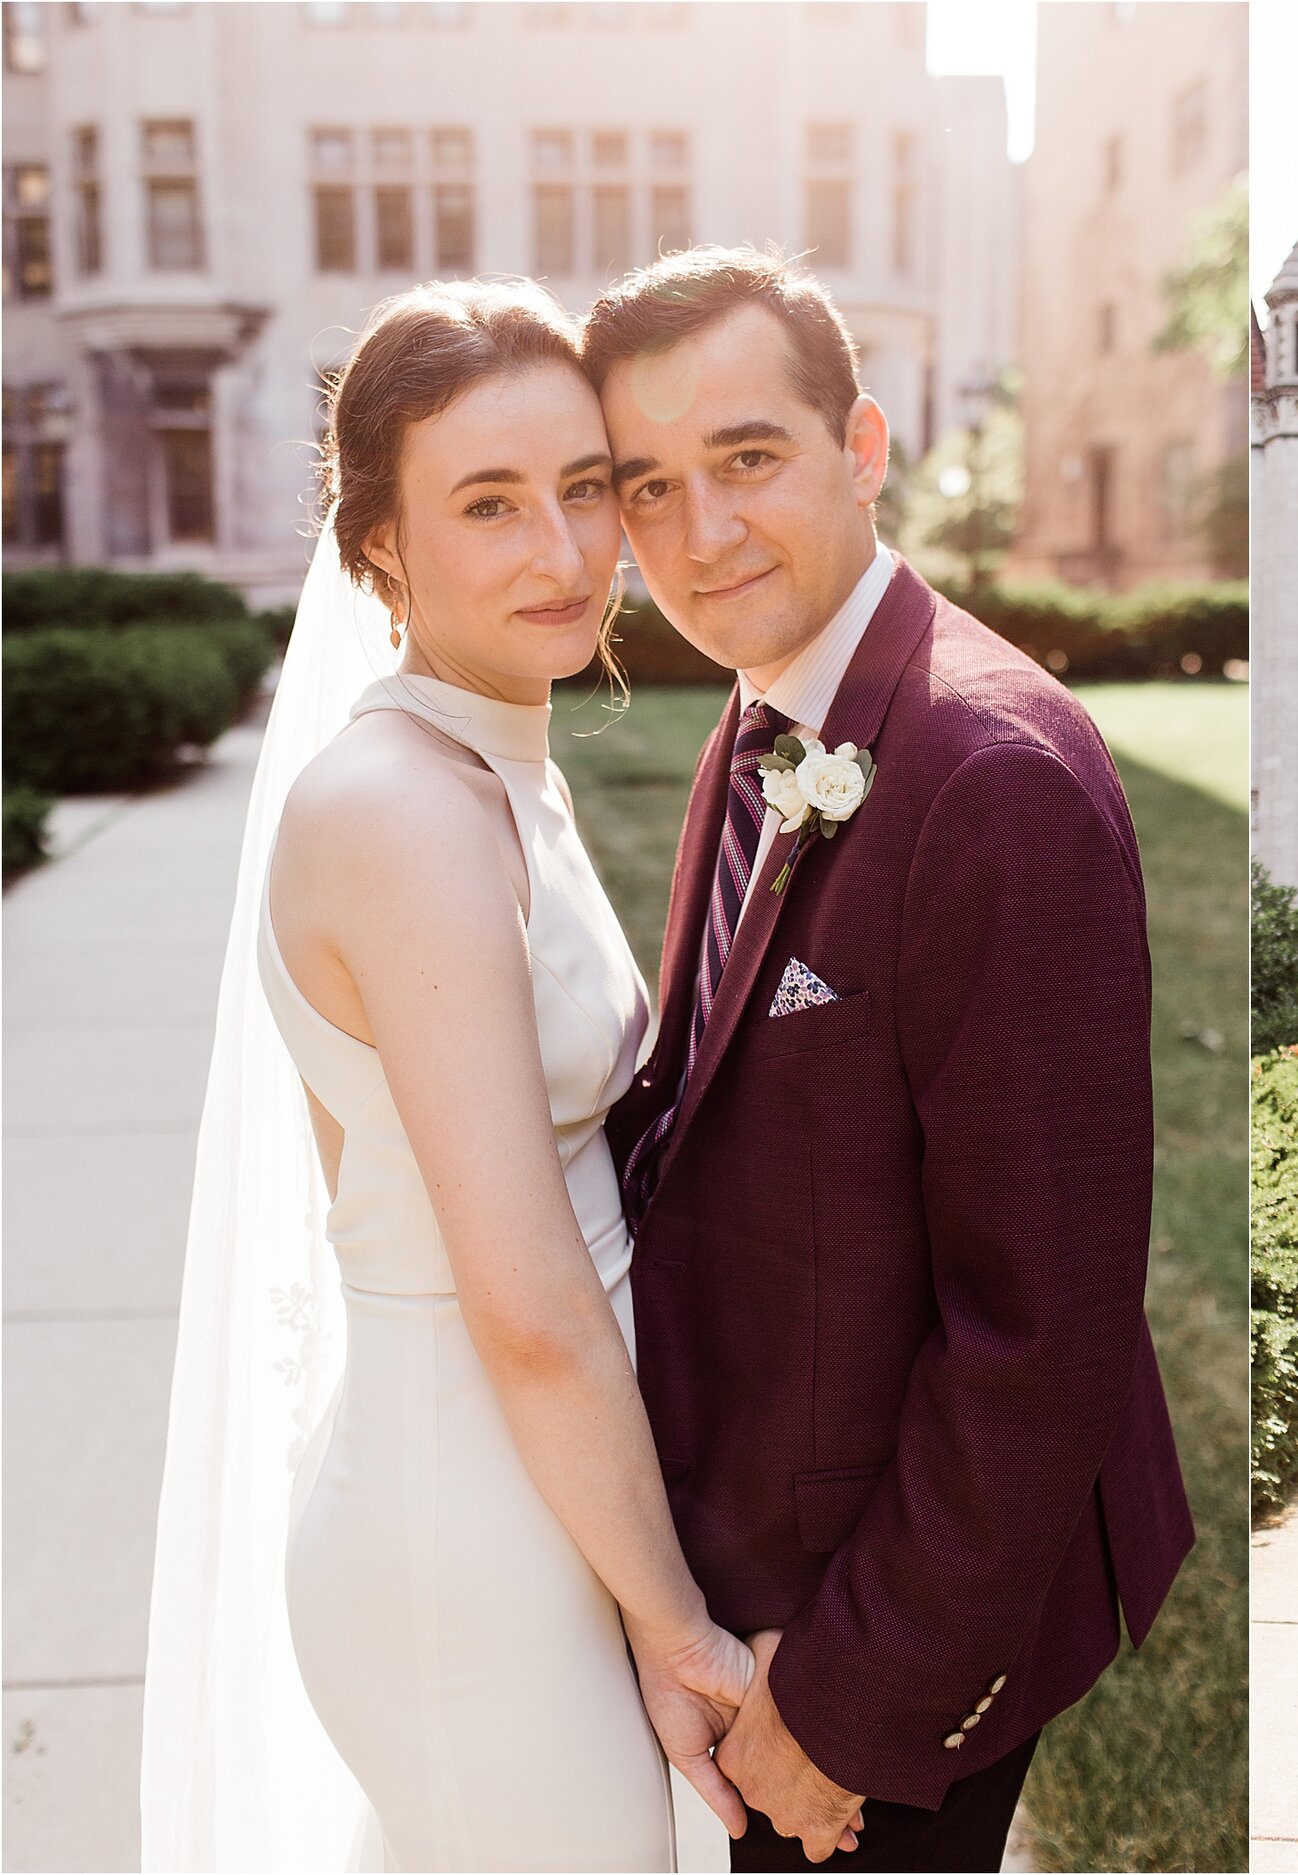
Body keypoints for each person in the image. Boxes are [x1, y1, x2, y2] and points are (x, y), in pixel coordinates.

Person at [582, 247, 1196, 1874]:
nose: (699, 535)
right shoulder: (762, 715)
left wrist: (850, 1705)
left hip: (896, 1605)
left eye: (748, 460)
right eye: (650, 487)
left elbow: (1042, 1330)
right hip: (769, 1535)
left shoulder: (991, 779)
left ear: (863, 447)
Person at [142, 280, 769, 1870]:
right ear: (378, 551)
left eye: (583, 487)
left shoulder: (488, 764)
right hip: (465, 1531)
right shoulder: (397, 814)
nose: (562, 554)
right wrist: (679, 1625)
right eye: (489, 503)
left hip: (541, 1501)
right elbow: (526, 1302)